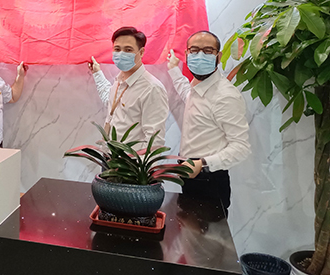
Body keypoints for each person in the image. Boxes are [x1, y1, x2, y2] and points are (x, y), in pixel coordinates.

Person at [167, 30, 250, 210]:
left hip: (209, 178)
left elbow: (241, 147)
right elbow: (187, 95)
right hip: (189, 174)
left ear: (218, 57)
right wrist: (173, 69)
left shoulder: (225, 96)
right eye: (194, 50)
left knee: (208, 227)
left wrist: (203, 163)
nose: (200, 56)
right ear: (186, 54)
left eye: (207, 51)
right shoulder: (198, 88)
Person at [88, 26, 169, 146]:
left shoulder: (152, 88)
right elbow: (110, 102)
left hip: (131, 157)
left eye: (128, 50)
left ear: (141, 52)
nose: (121, 54)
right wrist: (97, 73)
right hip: (109, 153)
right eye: (117, 49)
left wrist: (136, 159)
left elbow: (154, 140)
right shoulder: (119, 80)